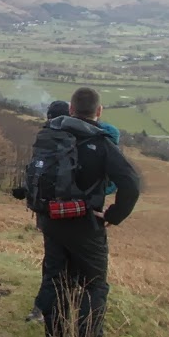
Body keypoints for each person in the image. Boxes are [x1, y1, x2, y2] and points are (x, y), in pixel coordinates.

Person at [36, 87, 140, 337]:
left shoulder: (51, 134)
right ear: (99, 111)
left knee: (57, 278)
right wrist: (112, 216)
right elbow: (130, 184)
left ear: (70, 109)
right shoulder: (103, 143)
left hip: (51, 220)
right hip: (85, 223)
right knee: (95, 285)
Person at [18, 101, 122, 324]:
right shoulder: (99, 136)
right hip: (82, 216)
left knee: (54, 267)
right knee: (88, 278)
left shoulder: (52, 139)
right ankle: (78, 331)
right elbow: (117, 181)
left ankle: (48, 318)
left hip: (50, 215)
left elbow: (41, 177)